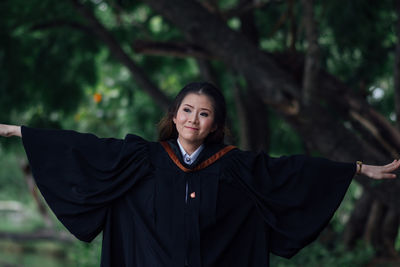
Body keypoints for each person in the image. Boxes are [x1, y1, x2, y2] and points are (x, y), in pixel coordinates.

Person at [0, 82, 399, 267]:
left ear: (215, 125)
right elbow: (83, 148)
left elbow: (290, 173)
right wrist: (19, 131)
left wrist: (359, 168)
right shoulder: (142, 159)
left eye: (204, 113)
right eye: (187, 110)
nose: (194, 118)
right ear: (174, 116)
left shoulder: (234, 167)